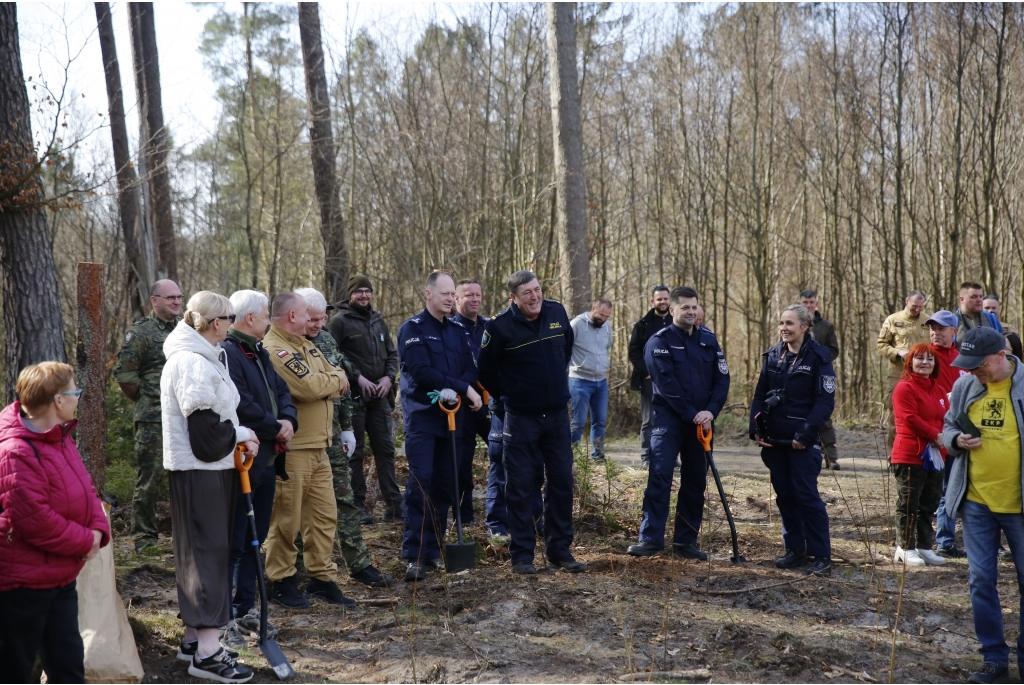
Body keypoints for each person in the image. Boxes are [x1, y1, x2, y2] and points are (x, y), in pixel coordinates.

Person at [161, 291, 259, 683]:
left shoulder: (202, 356)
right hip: (201, 470)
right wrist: (243, 432)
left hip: (205, 470)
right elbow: (204, 437)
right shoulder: (192, 363)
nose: (233, 324)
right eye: (230, 318)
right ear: (216, 323)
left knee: (199, 551)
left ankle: (191, 640)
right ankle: (207, 652)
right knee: (206, 554)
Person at [0, 362, 111, 683]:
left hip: (60, 576)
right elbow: (33, 521)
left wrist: (98, 530)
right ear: (58, 402)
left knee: (68, 667)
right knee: (14, 670)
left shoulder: (60, 437)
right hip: (23, 584)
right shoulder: (16, 452)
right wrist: (85, 541)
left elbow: (86, 488)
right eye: (74, 392)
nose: (79, 398)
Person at [478, 270, 585, 575]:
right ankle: (522, 555)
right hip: (520, 419)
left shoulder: (557, 312)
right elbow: (485, 371)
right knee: (522, 486)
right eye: (527, 293)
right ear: (514, 298)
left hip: (556, 417)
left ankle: (559, 550)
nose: (535, 296)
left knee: (562, 481)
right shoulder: (498, 328)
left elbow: (564, 350)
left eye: (537, 290)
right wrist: (509, 395)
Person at [942, 327, 1024, 685]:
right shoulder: (965, 387)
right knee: (980, 581)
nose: (973, 370)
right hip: (976, 503)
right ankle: (994, 660)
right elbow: (946, 427)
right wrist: (955, 439)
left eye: (979, 364)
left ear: (1000, 356)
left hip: (1019, 506)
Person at [295, 287, 393, 589]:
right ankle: (296, 568)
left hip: (334, 435)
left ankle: (359, 564)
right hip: (301, 440)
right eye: (312, 319)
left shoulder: (325, 339)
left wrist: (347, 426)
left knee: (345, 500)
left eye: (323, 318)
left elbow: (342, 386)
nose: (319, 325)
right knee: (296, 508)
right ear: (296, 315)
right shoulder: (283, 344)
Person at [264, 292, 355, 608]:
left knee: (323, 516)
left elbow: (338, 376)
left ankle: (321, 579)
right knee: (286, 519)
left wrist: (331, 378)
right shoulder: (277, 349)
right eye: (308, 315)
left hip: (319, 447)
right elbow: (309, 387)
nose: (314, 321)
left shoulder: (307, 345)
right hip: (294, 449)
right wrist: (332, 380)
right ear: (292, 316)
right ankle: (281, 580)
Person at [218, 290, 298, 648]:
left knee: (256, 536)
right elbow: (240, 403)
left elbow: (282, 390)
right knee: (236, 538)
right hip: (243, 459)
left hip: (266, 460)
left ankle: (247, 607)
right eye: (266, 315)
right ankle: (226, 616)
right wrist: (273, 426)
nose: (269, 320)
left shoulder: (259, 350)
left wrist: (288, 419)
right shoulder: (229, 352)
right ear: (250, 318)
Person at [627, 287, 730, 559]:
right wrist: (691, 413)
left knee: (695, 481)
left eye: (694, 307)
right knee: (660, 477)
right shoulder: (658, 342)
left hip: (702, 423)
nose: (691, 311)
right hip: (669, 421)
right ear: (672, 310)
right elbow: (666, 385)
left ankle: (686, 542)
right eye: (685, 307)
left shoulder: (709, 339)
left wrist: (710, 412)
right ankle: (651, 540)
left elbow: (722, 379)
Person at [396, 271, 482, 581]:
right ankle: (416, 555)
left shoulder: (457, 331)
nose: (449, 298)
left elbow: (470, 369)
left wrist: (463, 386)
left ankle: (435, 550)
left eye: (452, 294)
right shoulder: (413, 330)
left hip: (453, 423)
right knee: (421, 486)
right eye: (444, 293)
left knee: (446, 486)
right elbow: (421, 372)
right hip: (423, 421)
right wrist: (463, 387)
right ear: (428, 294)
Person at [751, 304, 836, 577]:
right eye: (781, 323)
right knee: (785, 496)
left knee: (807, 496)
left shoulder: (819, 358)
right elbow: (760, 395)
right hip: (776, 440)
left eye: (789, 323)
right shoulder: (773, 355)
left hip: (802, 441)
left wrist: (806, 433)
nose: (784, 328)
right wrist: (756, 428)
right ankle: (795, 548)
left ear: (805, 326)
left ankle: (821, 554)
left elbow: (825, 402)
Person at [114, 278, 183, 551]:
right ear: (154, 301)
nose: (177, 301)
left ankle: (184, 532)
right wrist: (147, 399)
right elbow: (125, 376)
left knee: (183, 474)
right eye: (170, 298)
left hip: (183, 416)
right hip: (153, 418)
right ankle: (145, 537)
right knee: (150, 478)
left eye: (179, 297)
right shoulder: (140, 333)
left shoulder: (186, 330)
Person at [328, 275, 401, 524]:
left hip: (379, 398)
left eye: (367, 291)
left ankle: (394, 503)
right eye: (359, 291)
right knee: (355, 453)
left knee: (386, 450)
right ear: (350, 294)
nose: (364, 296)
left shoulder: (378, 320)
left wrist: (388, 379)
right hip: (354, 399)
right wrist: (357, 378)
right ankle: (358, 506)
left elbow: (392, 354)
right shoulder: (339, 322)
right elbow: (332, 356)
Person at [890, 343, 948, 567]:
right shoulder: (904, 388)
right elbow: (910, 419)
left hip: (936, 455)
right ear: (910, 362)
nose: (925, 363)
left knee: (928, 503)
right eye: (920, 358)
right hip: (910, 454)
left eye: (930, 359)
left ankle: (924, 546)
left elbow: (945, 417)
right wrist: (935, 435)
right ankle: (904, 547)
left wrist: (946, 437)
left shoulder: (939, 389)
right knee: (908, 503)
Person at [927, 310, 969, 559]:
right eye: (932, 328)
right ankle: (915, 542)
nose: (935, 332)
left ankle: (945, 541)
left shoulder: (963, 359)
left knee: (951, 488)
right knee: (930, 490)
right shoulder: (924, 356)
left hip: (957, 432)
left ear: (954, 331)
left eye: (941, 328)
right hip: (931, 433)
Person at [450, 278, 492, 525]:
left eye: (478, 295)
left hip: (489, 405)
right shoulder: (450, 328)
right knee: (462, 463)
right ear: (456, 299)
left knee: (506, 456)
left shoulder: (489, 327)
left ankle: (507, 513)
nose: (475, 299)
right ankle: (463, 518)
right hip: (460, 406)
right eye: (469, 295)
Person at [877, 290, 931, 448]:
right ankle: (894, 455)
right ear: (907, 300)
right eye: (914, 306)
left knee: (922, 414)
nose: (917, 310)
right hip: (898, 374)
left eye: (920, 307)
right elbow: (881, 345)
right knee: (897, 415)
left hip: (922, 375)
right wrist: (897, 352)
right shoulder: (893, 320)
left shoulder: (928, 321)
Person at [628, 286, 672, 470]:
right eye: (659, 299)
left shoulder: (675, 322)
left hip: (672, 380)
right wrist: (647, 372)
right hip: (649, 380)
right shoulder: (643, 324)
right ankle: (646, 456)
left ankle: (669, 455)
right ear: (652, 302)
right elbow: (634, 351)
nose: (662, 302)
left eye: (665, 299)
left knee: (671, 418)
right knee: (650, 420)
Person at [800, 289, 841, 471]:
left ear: (816, 303)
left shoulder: (826, 326)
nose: (808, 306)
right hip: (799, 375)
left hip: (821, 375)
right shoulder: (794, 323)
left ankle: (831, 458)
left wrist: (820, 360)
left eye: (811, 302)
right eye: (805, 303)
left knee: (823, 416)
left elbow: (834, 350)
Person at [569, 298, 614, 461]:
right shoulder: (576, 325)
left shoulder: (606, 327)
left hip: (601, 381)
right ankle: (570, 454)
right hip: (579, 380)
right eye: (601, 314)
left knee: (600, 420)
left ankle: (597, 454)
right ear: (593, 308)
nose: (603, 319)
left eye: (607, 317)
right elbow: (566, 348)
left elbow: (606, 348)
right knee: (578, 422)